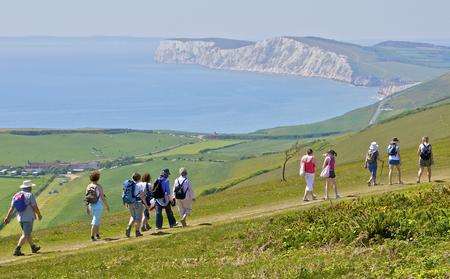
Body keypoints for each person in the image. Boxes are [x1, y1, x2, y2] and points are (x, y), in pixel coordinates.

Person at [2, 180, 42, 256]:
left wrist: (7, 217)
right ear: (29, 187)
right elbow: (35, 207)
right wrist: (39, 214)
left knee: (27, 233)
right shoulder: (30, 195)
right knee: (25, 234)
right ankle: (17, 249)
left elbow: (12, 208)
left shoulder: (16, 195)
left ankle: (33, 247)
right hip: (29, 217)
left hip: (20, 218)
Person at [85, 170, 110, 241]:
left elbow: (86, 197)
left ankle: (97, 234)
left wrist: (87, 207)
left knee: (97, 219)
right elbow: (102, 197)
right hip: (98, 205)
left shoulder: (88, 186)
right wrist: (107, 206)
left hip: (91, 205)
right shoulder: (98, 186)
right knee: (95, 220)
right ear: (98, 178)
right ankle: (92, 236)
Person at [123, 172, 148, 238]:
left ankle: (128, 227)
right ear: (139, 178)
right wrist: (146, 204)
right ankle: (137, 232)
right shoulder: (140, 185)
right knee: (138, 218)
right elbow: (142, 196)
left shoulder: (129, 185)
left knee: (133, 216)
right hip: (137, 202)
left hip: (130, 202)